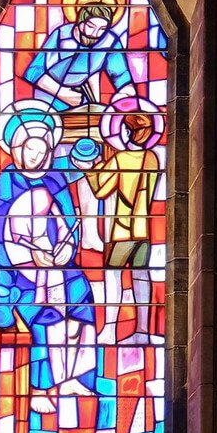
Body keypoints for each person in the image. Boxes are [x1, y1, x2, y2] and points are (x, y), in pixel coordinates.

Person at [0, 104, 97, 415]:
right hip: (20, 275)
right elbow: (0, 235)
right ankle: (40, 388)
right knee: (44, 319)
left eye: (43, 150)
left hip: (61, 265)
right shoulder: (7, 181)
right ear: (16, 149)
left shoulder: (55, 178)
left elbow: (68, 219)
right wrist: (28, 260)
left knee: (82, 301)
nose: (37, 157)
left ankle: (72, 378)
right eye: (30, 149)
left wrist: (67, 248)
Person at [89, 112, 162, 342]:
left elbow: (101, 190)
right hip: (143, 231)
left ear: (129, 132)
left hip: (122, 230)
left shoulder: (120, 159)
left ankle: (110, 330)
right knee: (141, 276)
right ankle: (143, 331)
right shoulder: (152, 158)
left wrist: (92, 169)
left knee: (113, 276)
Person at [24, 3, 131, 111]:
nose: (95, 34)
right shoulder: (61, 35)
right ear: (81, 22)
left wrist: (125, 93)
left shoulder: (110, 41)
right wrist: (62, 93)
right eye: (90, 26)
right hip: (48, 95)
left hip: (80, 100)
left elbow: (121, 74)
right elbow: (33, 72)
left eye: (102, 29)